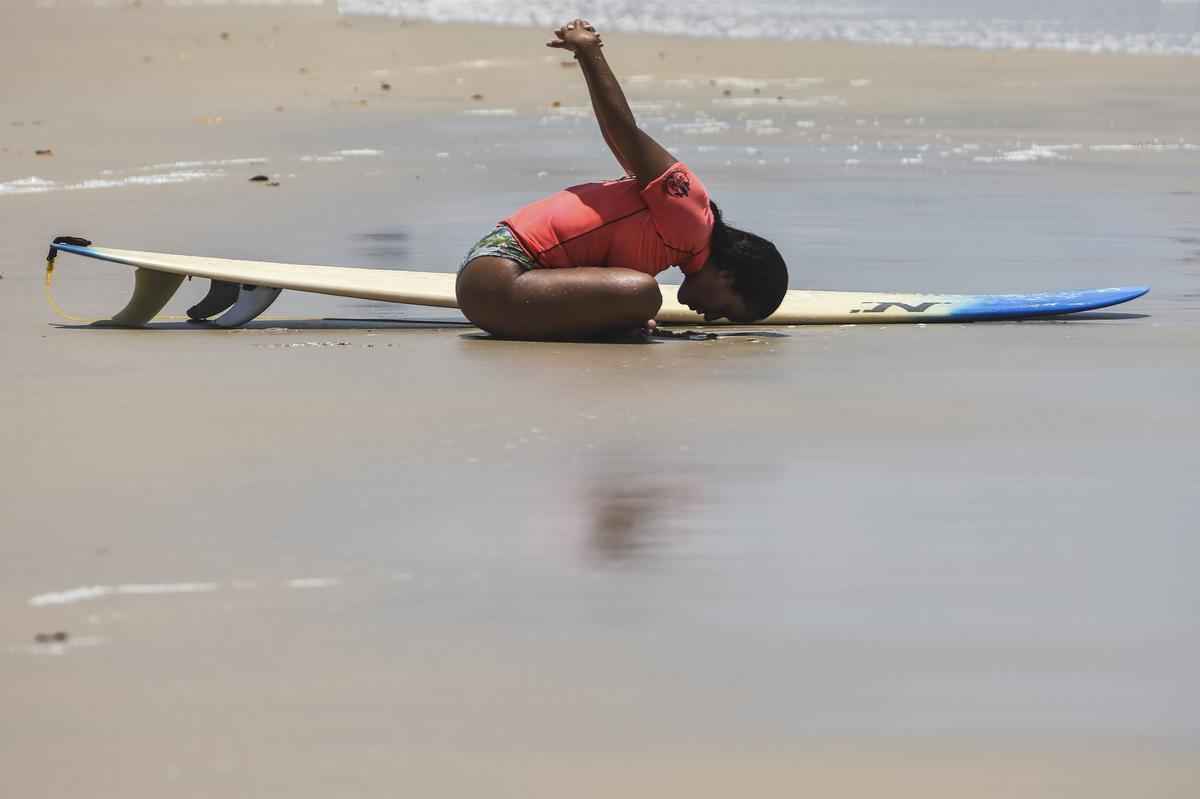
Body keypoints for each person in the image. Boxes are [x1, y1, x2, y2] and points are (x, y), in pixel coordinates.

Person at [455, 19, 789, 340]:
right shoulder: (689, 213)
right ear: (728, 277)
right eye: (727, 312)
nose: (713, 319)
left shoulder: (676, 245)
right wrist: (589, 53)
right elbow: (622, 134)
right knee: (641, 294)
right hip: (500, 276)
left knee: (636, 298)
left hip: (501, 284)